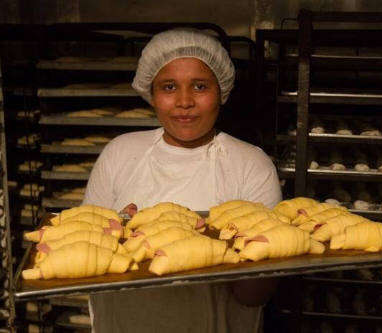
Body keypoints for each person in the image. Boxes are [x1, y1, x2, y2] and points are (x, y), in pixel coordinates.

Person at [82, 28, 282, 333]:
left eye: (200, 86)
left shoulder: (251, 164)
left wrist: (244, 247)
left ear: (221, 92)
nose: (184, 101)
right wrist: (117, 237)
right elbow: (87, 261)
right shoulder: (119, 153)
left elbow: (251, 296)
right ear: (151, 94)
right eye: (169, 86)